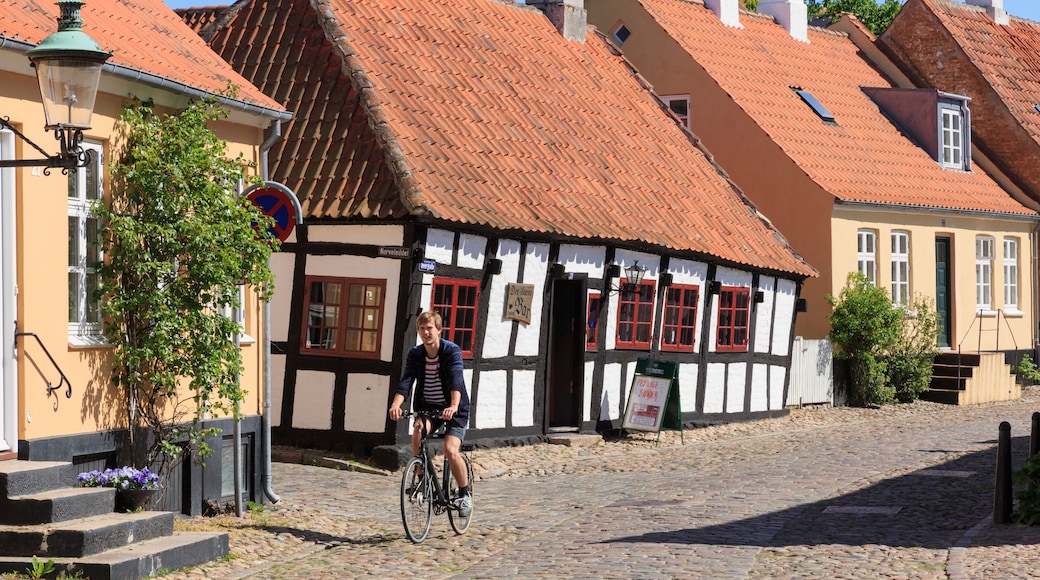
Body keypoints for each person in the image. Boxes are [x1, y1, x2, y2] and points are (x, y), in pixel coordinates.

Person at [389, 311, 472, 516]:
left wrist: (453, 406)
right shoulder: (416, 354)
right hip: (429, 408)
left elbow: (455, 380)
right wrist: (395, 405)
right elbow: (406, 381)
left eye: (430, 328)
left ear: (438, 330)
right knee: (418, 429)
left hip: (455, 409)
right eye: (422, 329)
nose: (426, 332)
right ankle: (421, 477)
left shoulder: (451, 351)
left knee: (450, 450)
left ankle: (464, 494)